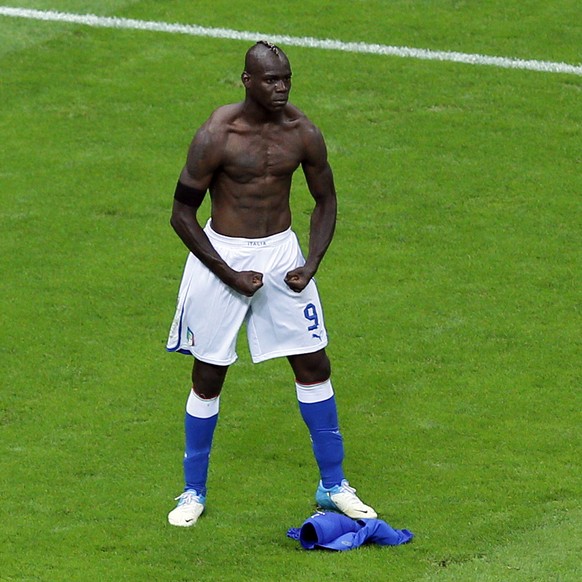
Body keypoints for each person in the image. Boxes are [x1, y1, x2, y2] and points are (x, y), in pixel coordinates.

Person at [166, 41, 377, 527]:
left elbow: (325, 199)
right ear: (247, 81)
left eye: (286, 79)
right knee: (208, 375)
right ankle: (191, 492)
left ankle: (333, 486)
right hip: (222, 256)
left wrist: (312, 261)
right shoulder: (217, 134)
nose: (281, 88)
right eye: (270, 80)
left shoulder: (302, 132)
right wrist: (229, 273)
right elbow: (181, 214)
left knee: (314, 363)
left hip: (281, 255)